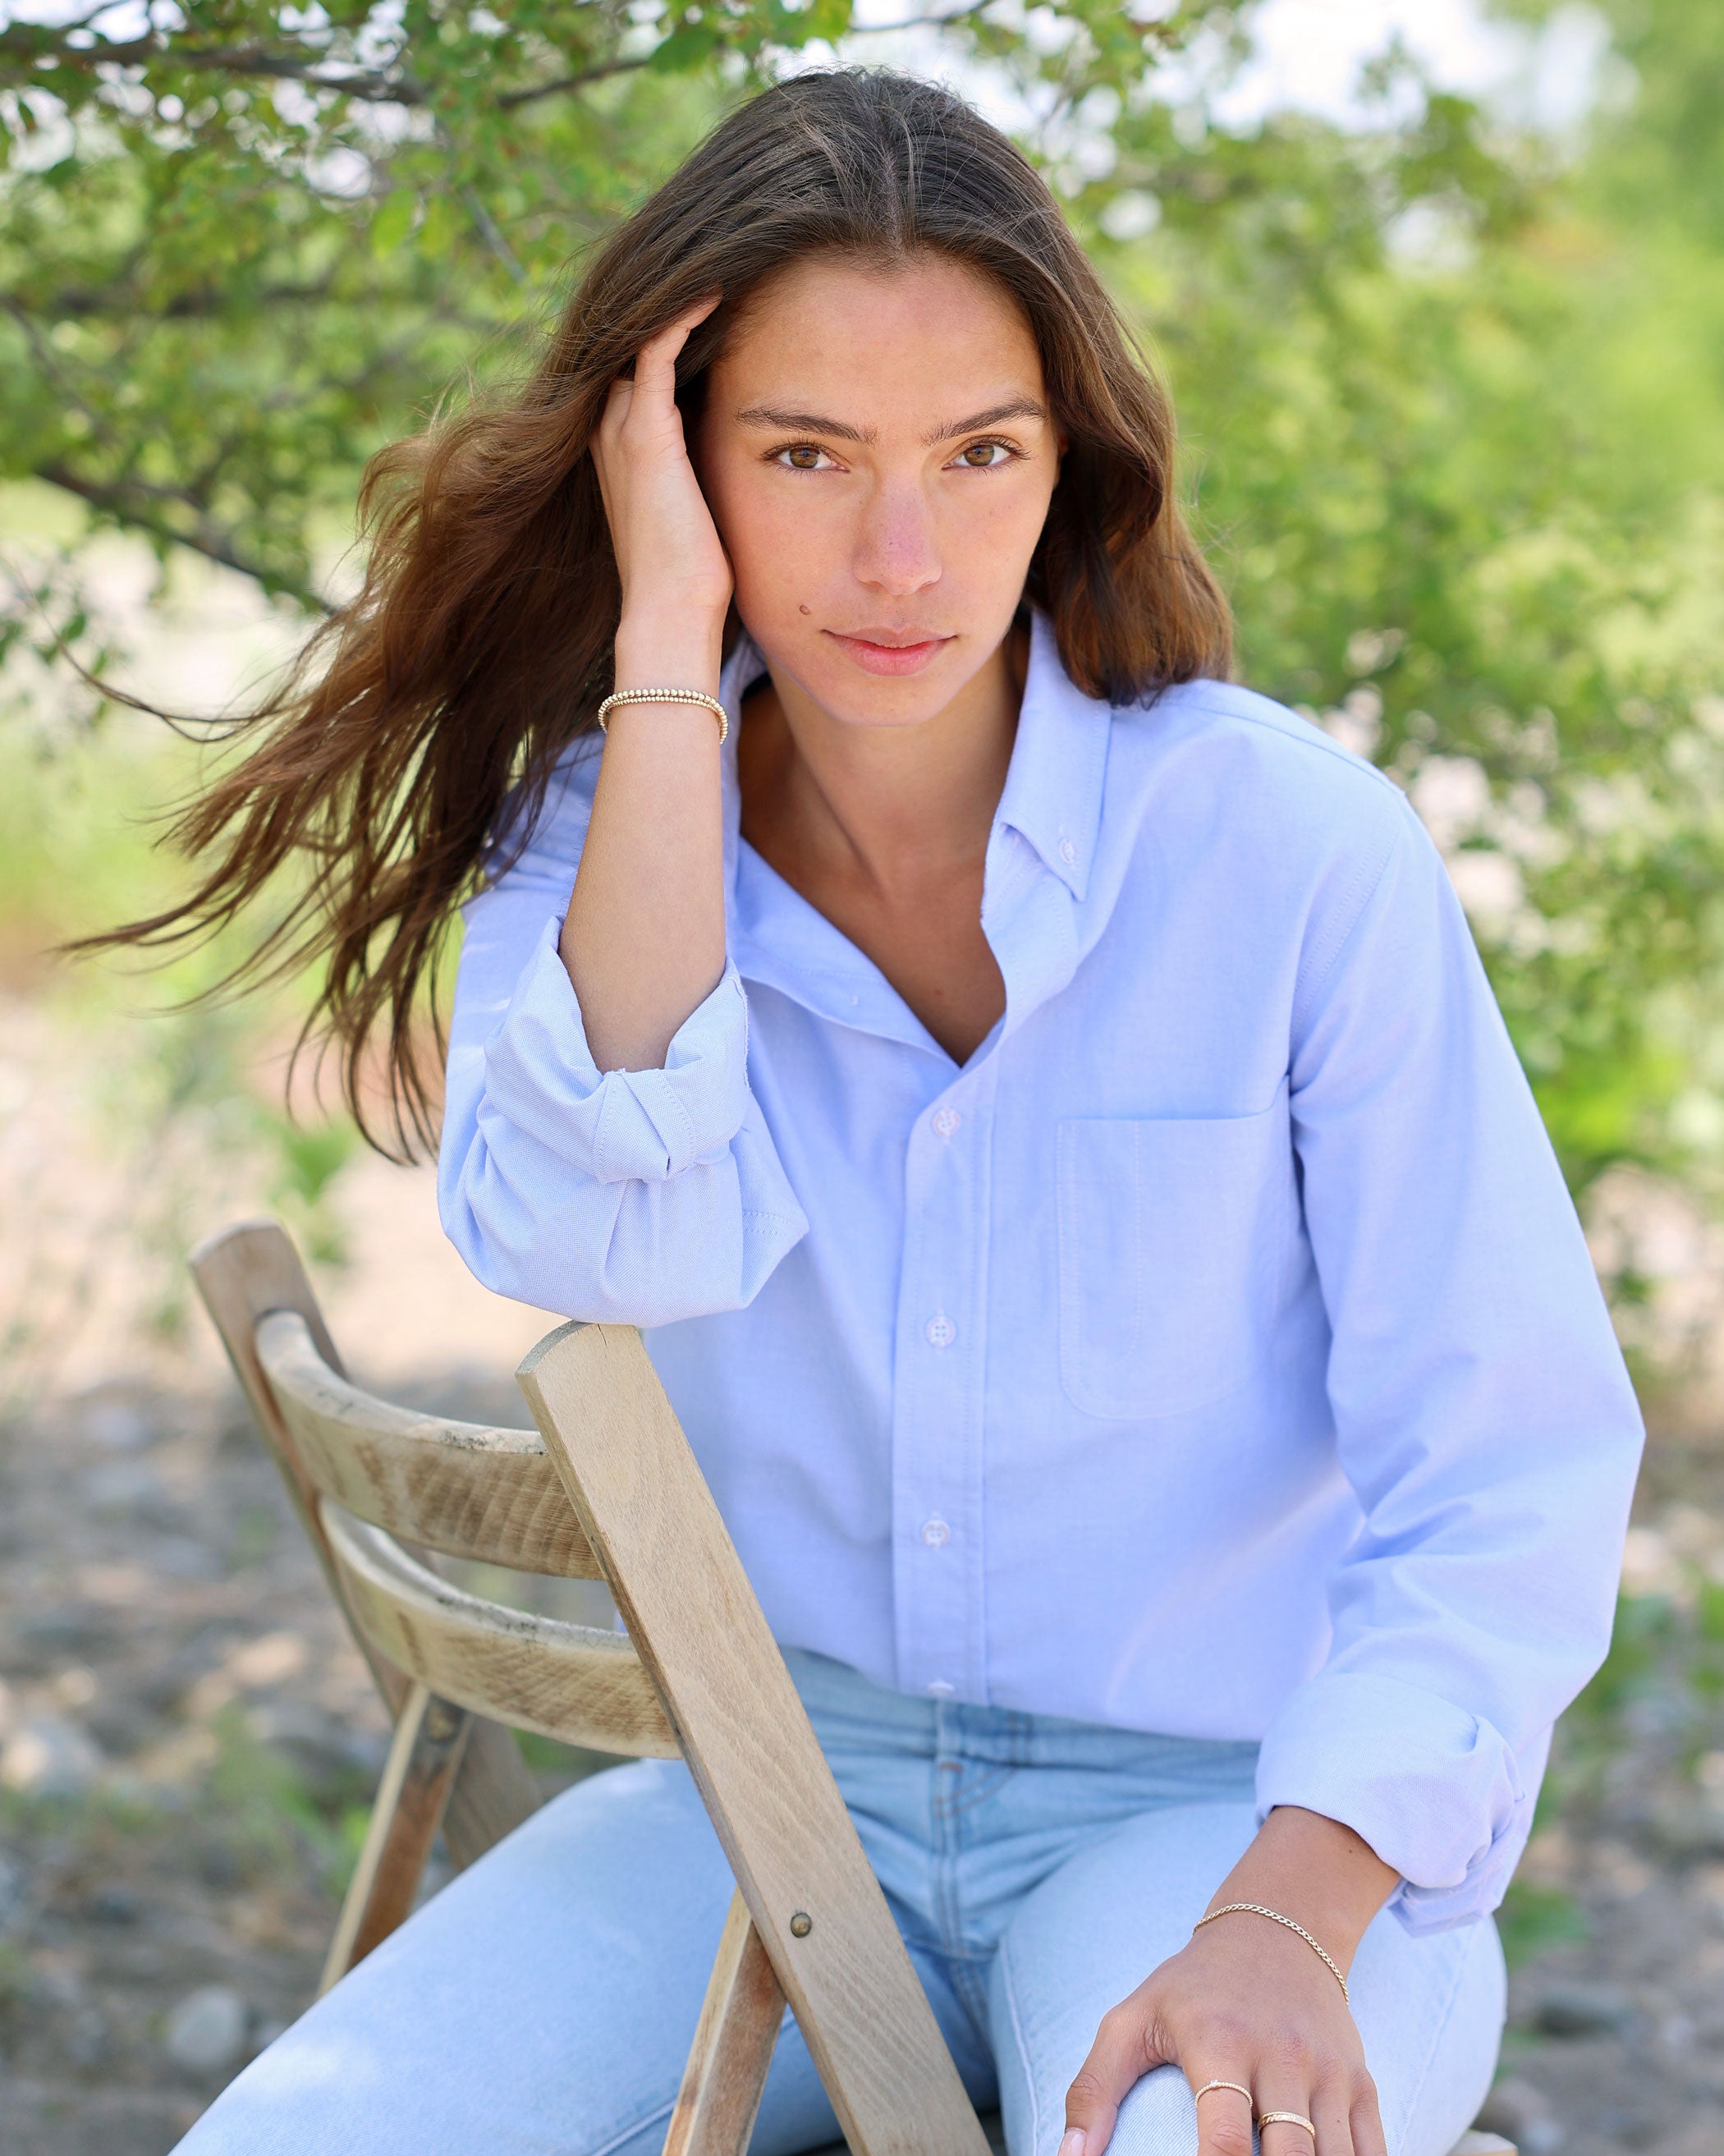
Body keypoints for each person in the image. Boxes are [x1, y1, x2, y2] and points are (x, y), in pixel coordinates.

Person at [151, 67, 1643, 2156]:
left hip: (1224, 1810)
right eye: (803, 454)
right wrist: (664, 650)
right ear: (675, 467)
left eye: (978, 451)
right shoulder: (596, 846)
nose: (903, 554)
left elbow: (1507, 1470)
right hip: (760, 1788)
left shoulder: (1290, 853)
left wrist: (1285, 1919)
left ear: (1068, 461)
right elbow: (603, 1243)